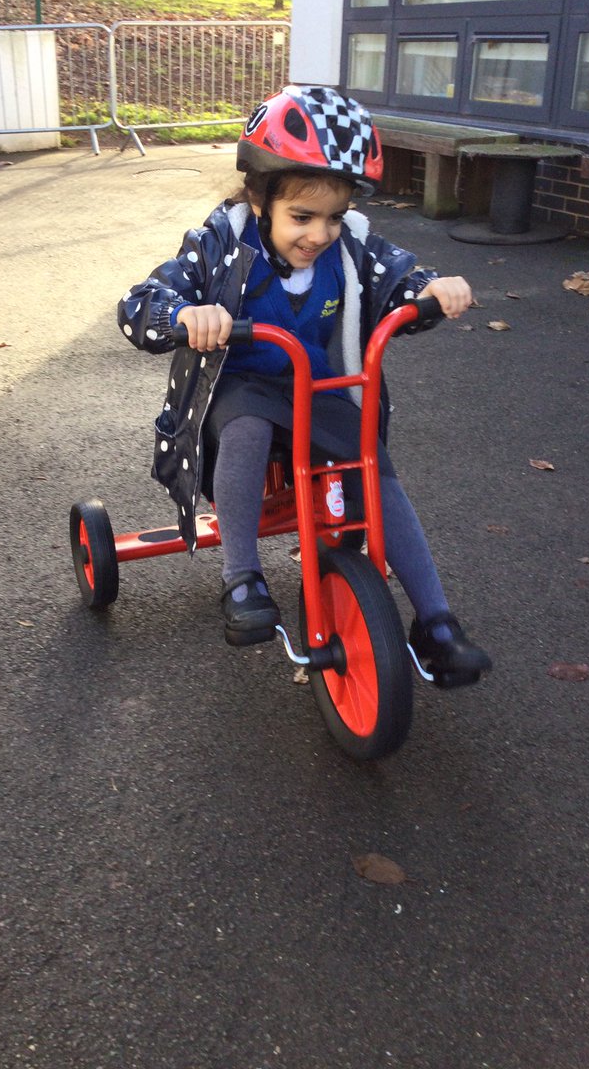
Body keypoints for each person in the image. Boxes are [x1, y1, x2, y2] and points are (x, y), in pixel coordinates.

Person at [118, 84, 492, 687]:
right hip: (238, 385)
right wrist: (184, 316)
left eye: (333, 217)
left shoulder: (353, 247)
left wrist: (430, 290)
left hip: (318, 393)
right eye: (302, 216)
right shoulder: (218, 244)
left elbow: (400, 278)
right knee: (245, 427)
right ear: (261, 198)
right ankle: (242, 578)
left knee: (372, 466)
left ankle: (437, 623)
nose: (318, 234)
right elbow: (142, 301)